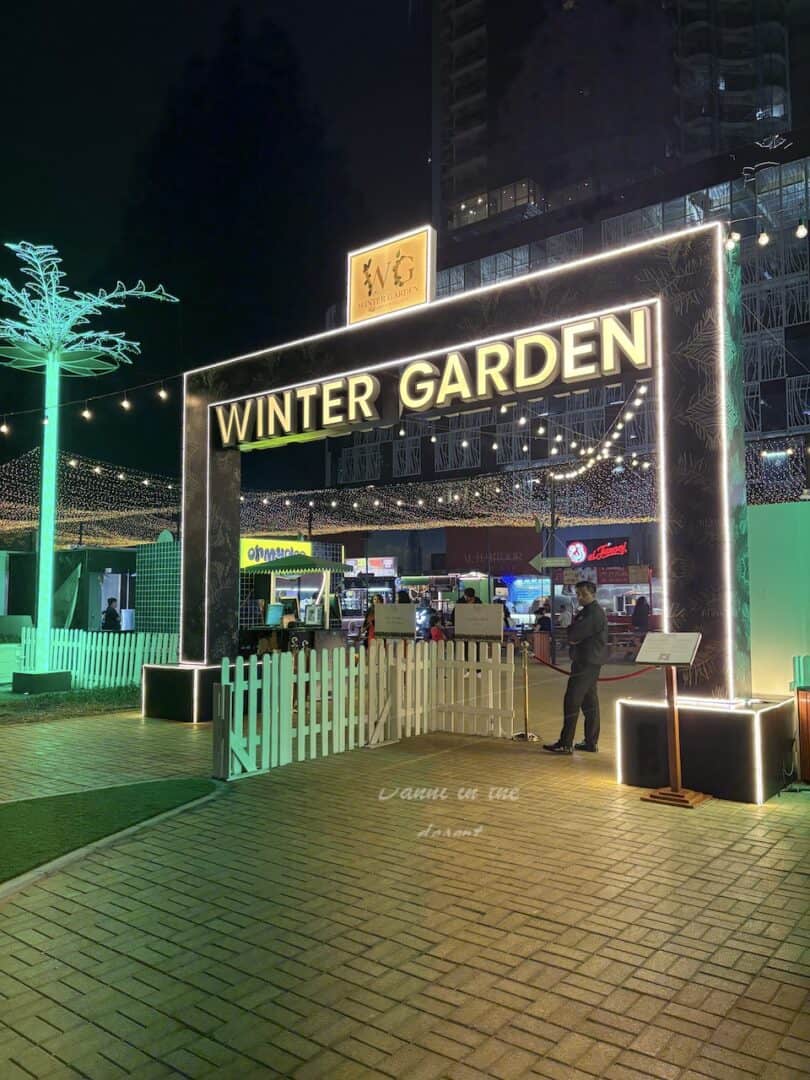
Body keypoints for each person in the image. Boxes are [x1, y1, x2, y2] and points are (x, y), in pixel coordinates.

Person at [543, 580, 608, 754]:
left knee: (572, 700)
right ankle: (590, 741)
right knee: (589, 703)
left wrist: (573, 634)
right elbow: (573, 633)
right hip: (589, 660)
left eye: (583, 594)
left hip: (586, 662)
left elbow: (573, 634)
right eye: (578, 594)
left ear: (593, 594)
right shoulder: (588, 612)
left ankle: (566, 743)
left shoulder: (593, 613)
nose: (579, 597)